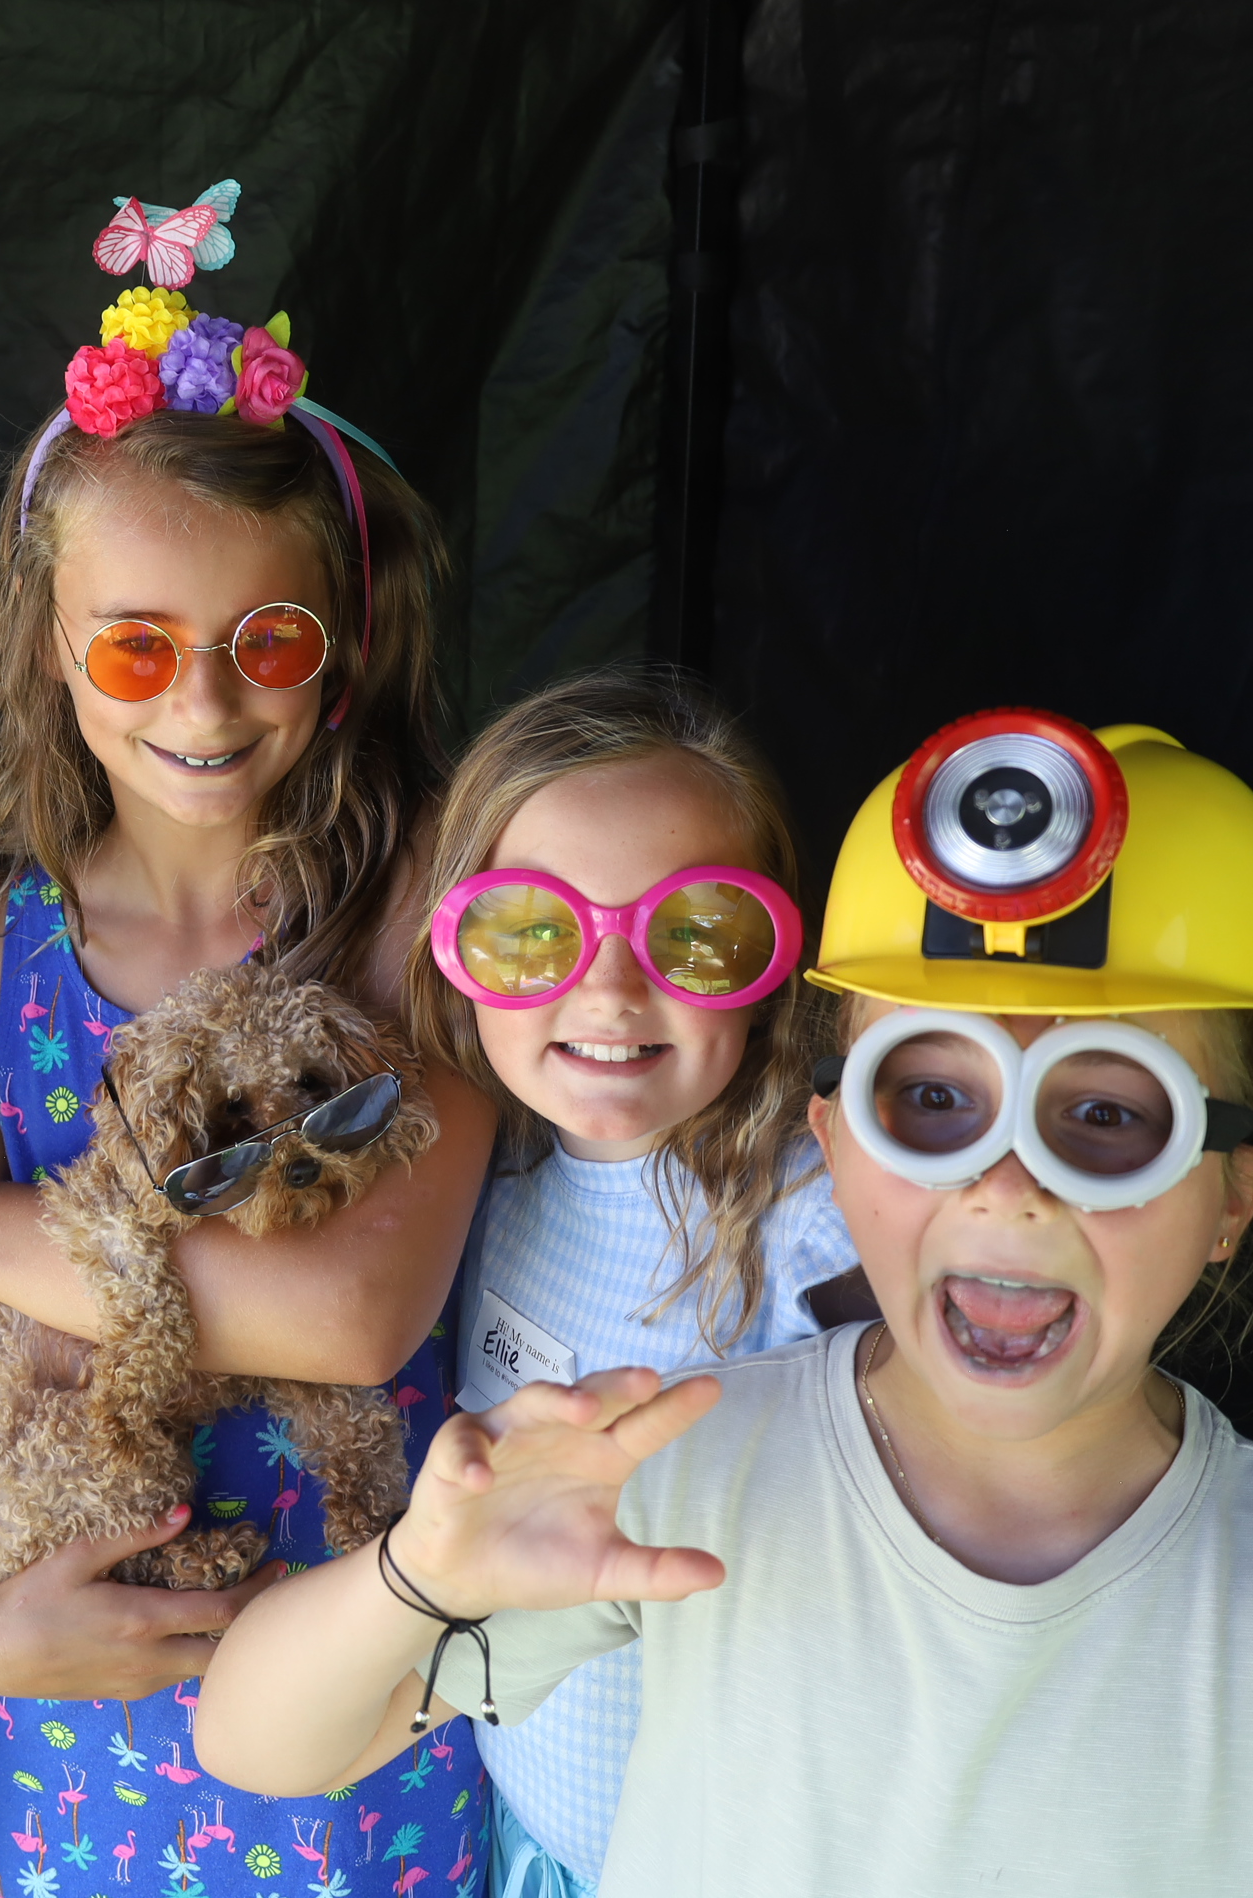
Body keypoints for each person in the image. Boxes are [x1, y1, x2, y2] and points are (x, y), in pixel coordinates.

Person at [194, 712, 1253, 1895]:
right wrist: (420, 1576)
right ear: (833, 1146)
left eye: (1106, 1115)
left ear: (1237, 1197)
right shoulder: (685, 1477)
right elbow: (262, 1745)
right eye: (933, 1102)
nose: (1009, 1186)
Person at [0, 196, 499, 1897]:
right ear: (53, 652)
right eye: (139, 647)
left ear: (345, 645)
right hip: (68, 1753)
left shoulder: (420, 920)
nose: (207, 704)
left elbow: (357, 1312)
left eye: (268, 644)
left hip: (354, 1733)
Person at [401, 668, 861, 1896]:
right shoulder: (478, 1182)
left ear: (772, 963)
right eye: (532, 930)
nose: (608, 991)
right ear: (456, 947)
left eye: (696, 934)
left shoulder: (815, 1215)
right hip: (532, 1848)